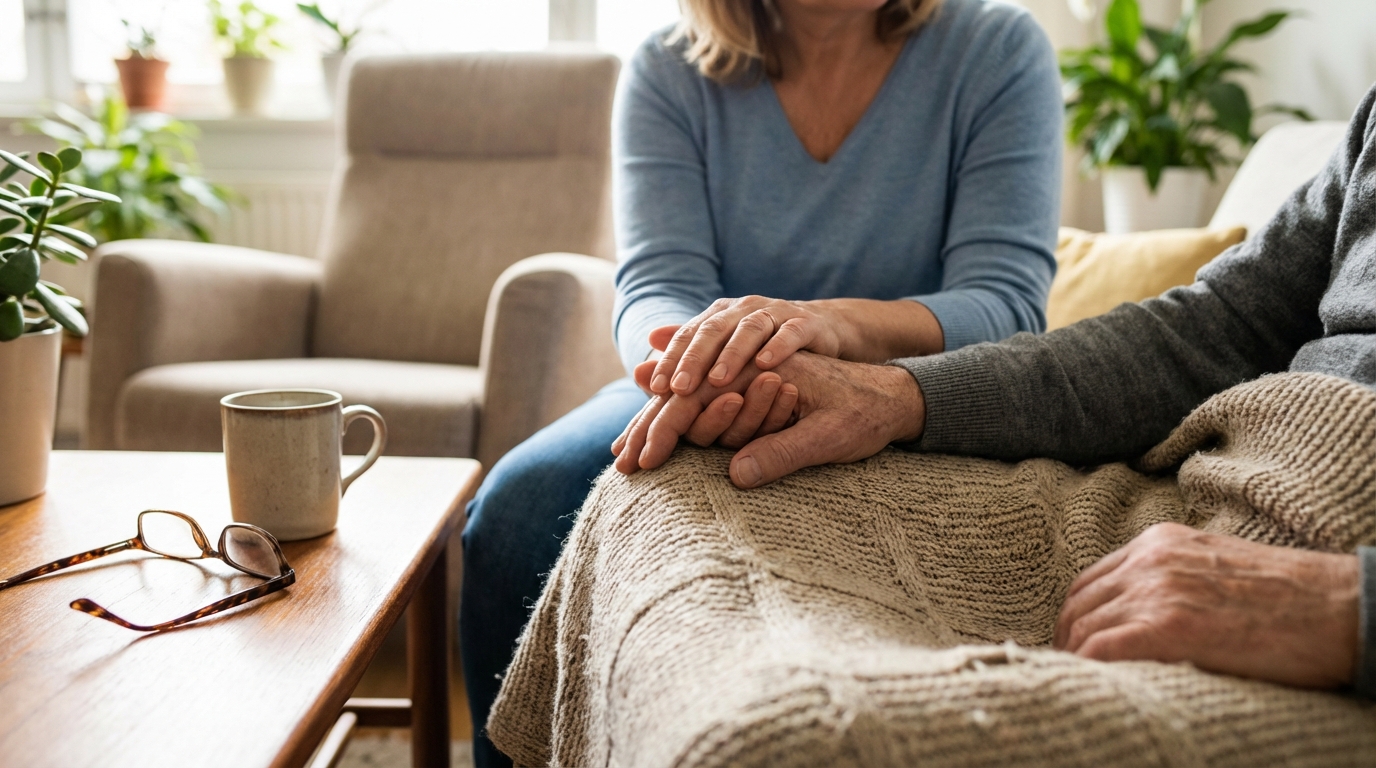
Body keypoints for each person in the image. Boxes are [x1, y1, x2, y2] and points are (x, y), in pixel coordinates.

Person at [613, 83, 1376, 698]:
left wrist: (1347, 612)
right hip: (1207, 487)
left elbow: (1002, 297)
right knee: (671, 492)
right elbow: (1208, 333)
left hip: (1329, 549)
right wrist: (893, 395)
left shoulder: (988, 46)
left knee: (791, 735)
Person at [460, 0, 1064, 762]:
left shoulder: (996, 48)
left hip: (908, 399)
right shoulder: (669, 67)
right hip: (703, 390)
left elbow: (1004, 303)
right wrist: (710, 368)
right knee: (516, 511)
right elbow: (656, 283)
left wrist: (829, 330)